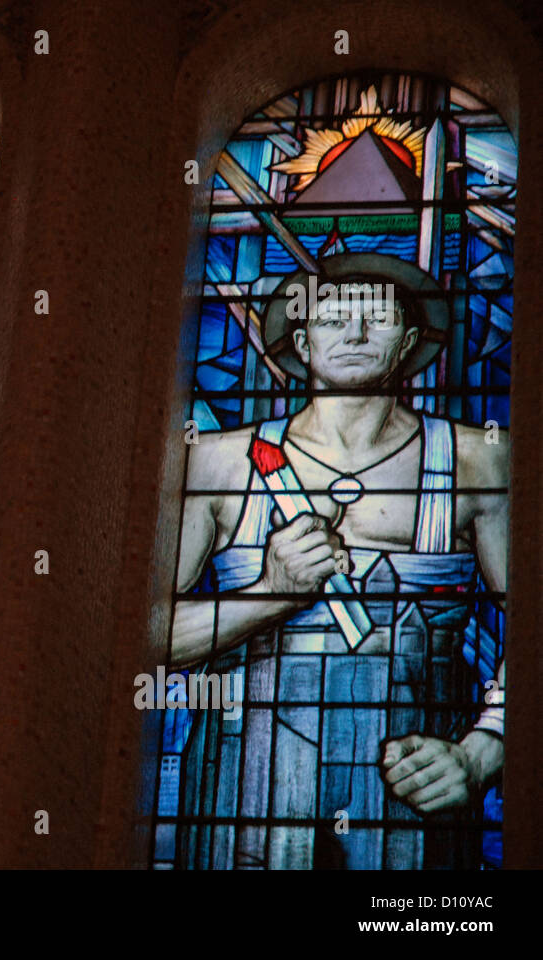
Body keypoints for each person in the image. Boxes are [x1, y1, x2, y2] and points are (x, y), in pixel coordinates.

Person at [171, 253, 507, 869]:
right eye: (332, 319)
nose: (353, 334)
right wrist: (270, 592)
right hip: (249, 777)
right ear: (301, 340)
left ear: (409, 340)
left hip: (414, 781)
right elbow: (132, 639)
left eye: (376, 319)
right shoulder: (217, 462)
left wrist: (483, 750)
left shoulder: (479, 460)